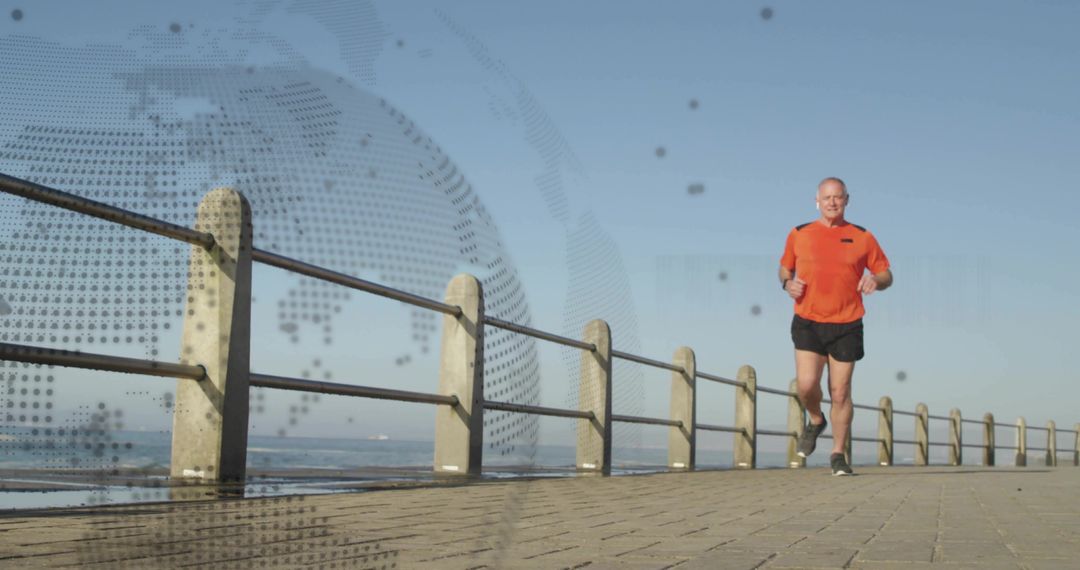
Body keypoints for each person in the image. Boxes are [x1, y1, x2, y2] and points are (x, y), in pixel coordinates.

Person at [778, 177, 892, 476]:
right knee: (806, 385)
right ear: (817, 200)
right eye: (827, 197)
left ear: (846, 200)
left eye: (838, 197)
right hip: (808, 320)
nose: (832, 202)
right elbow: (784, 267)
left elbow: (886, 274)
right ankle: (816, 420)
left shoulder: (863, 236)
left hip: (847, 322)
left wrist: (875, 281)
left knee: (840, 391)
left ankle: (838, 454)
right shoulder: (799, 233)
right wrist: (786, 283)